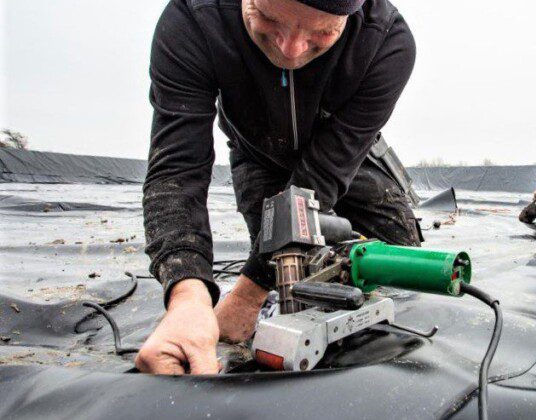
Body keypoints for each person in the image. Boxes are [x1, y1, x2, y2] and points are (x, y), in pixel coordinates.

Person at [136, 0, 420, 375]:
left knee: (399, 272)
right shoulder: (192, 20)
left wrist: (247, 295)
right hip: (258, 157)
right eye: (268, 19)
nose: (290, 50)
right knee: (285, 270)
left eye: (321, 33)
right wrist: (188, 298)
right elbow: (178, 168)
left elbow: (323, 173)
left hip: (345, 158)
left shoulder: (387, 42)